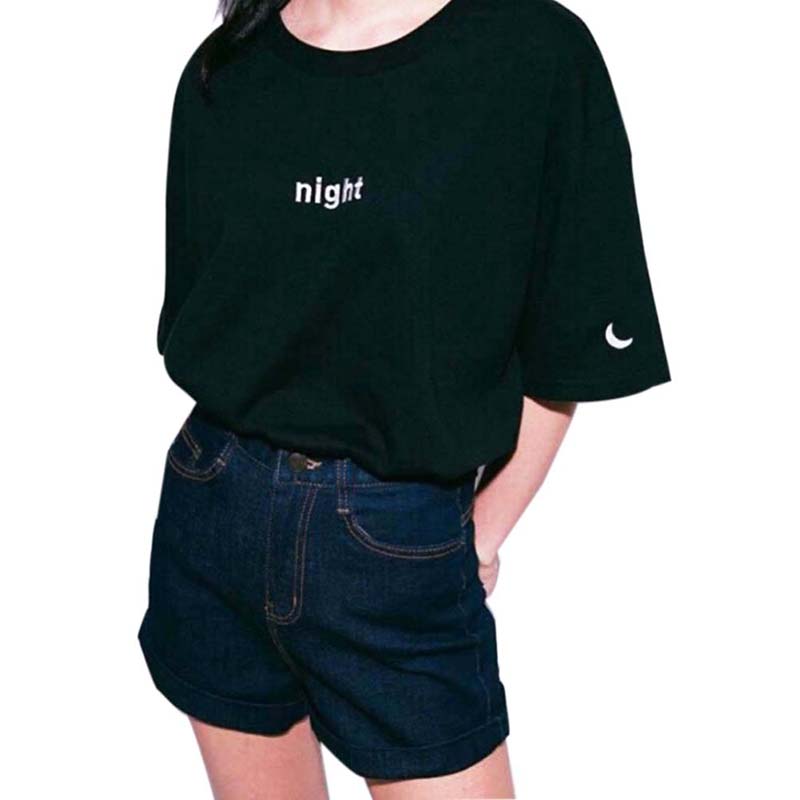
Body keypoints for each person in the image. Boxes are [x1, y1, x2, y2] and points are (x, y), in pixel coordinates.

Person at [138, 0, 670, 797]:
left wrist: (481, 532)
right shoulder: (228, 66)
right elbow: (198, 311)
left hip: (397, 535)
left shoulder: (533, 51)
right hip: (214, 511)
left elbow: (570, 343)